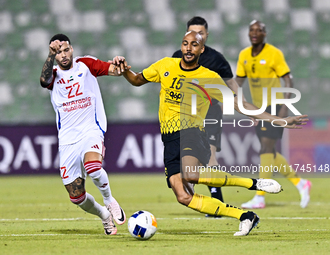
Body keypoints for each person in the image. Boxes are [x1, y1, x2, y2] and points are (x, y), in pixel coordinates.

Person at [113, 31, 308, 236]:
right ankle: (245, 216)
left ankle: (253, 183)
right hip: (169, 138)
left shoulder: (209, 77)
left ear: (201, 49)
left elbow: (240, 104)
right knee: (183, 196)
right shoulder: (165, 65)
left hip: (191, 132)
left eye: (194, 45)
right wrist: (125, 69)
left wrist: (280, 120)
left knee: (190, 175)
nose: (189, 48)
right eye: (185, 44)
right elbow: (136, 80)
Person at [39, 34, 126, 235]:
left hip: (90, 130)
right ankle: (104, 215)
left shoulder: (86, 64)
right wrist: (49, 56)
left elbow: (114, 70)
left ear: (72, 49)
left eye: (66, 50)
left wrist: (119, 65)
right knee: (76, 197)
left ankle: (109, 199)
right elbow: (44, 81)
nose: (63, 55)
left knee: (93, 167)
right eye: (58, 52)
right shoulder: (52, 74)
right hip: (68, 140)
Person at [235, 20, 312, 209]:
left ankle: (260, 196)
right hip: (259, 108)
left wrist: (285, 106)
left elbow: (288, 79)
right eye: (251, 30)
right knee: (270, 152)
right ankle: (300, 183)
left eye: (259, 30)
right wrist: (242, 105)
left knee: (265, 149)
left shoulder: (274, 53)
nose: (254, 33)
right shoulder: (244, 55)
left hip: (275, 105)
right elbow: (237, 82)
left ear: (265, 33)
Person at [172, 16, 244, 215]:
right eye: (193, 32)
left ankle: (217, 201)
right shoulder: (177, 56)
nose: (197, 36)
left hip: (211, 112)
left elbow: (231, 84)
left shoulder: (216, 58)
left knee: (211, 155)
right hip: (186, 116)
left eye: (201, 33)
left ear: (206, 35)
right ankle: (193, 194)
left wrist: (237, 103)